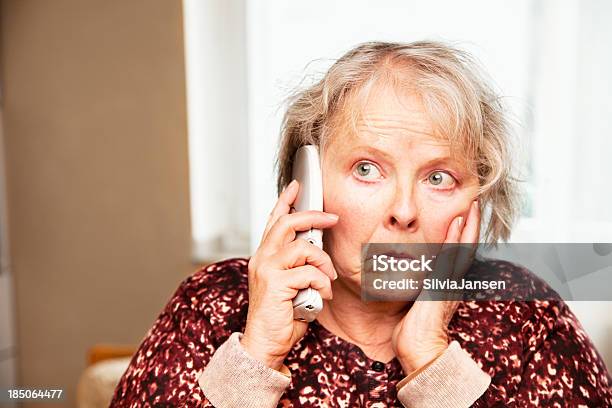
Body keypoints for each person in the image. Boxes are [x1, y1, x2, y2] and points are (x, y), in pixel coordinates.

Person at [110, 41, 612, 407]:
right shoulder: (213, 303)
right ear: (307, 181)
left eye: (439, 177)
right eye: (367, 169)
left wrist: (433, 365)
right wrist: (255, 358)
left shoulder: (529, 316)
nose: (404, 210)